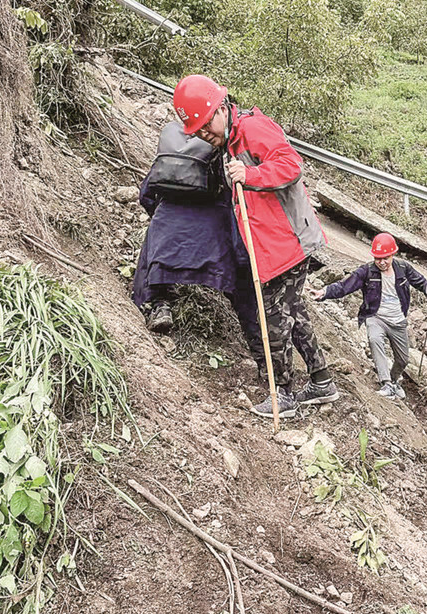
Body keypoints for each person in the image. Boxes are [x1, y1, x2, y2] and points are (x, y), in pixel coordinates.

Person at [171, 74, 338, 418]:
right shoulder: (229, 141)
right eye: (198, 131)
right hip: (271, 247)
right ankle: (322, 381)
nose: (204, 135)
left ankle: (284, 394)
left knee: (274, 318)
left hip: (289, 242)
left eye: (206, 126)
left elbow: (291, 165)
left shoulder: (253, 129)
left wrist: (251, 176)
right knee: (294, 311)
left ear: (222, 109)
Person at [132, 121, 265, 372]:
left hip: (166, 235)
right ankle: (264, 357)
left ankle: (159, 305)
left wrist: (161, 215)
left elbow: (145, 196)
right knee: (242, 286)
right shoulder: (224, 154)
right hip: (215, 240)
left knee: (152, 249)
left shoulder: (170, 154)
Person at [310, 233, 427, 399]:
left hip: (398, 321)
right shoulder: (367, 271)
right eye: (378, 258)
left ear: (393, 254)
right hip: (375, 317)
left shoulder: (403, 268)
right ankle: (386, 383)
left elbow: (420, 281)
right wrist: (324, 292)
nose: (381, 262)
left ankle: (393, 381)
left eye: (385, 258)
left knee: (403, 360)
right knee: (374, 340)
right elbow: (345, 286)